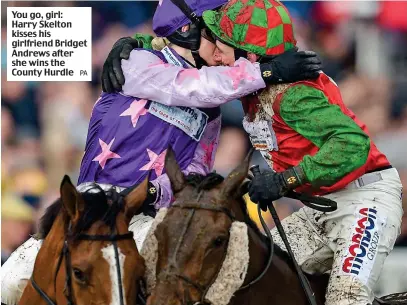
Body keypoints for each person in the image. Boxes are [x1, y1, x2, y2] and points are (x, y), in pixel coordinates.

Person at [0, 0, 324, 304]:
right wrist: (267, 72)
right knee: (8, 280)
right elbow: (190, 86)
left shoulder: (210, 113)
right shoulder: (137, 62)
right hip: (91, 208)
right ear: (187, 31)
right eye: (218, 36)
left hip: (144, 219)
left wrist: (157, 189)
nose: (228, 47)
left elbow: (195, 174)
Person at [195, 0, 402, 304]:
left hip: (365, 203)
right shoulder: (256, 83)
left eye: (222, 46)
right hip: (321, 207)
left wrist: (284, 181)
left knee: (345, 299)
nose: (215, 54)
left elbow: (352, 145)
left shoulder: (293, 95)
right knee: (241, 277)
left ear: (250, 55)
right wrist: (144, 43)